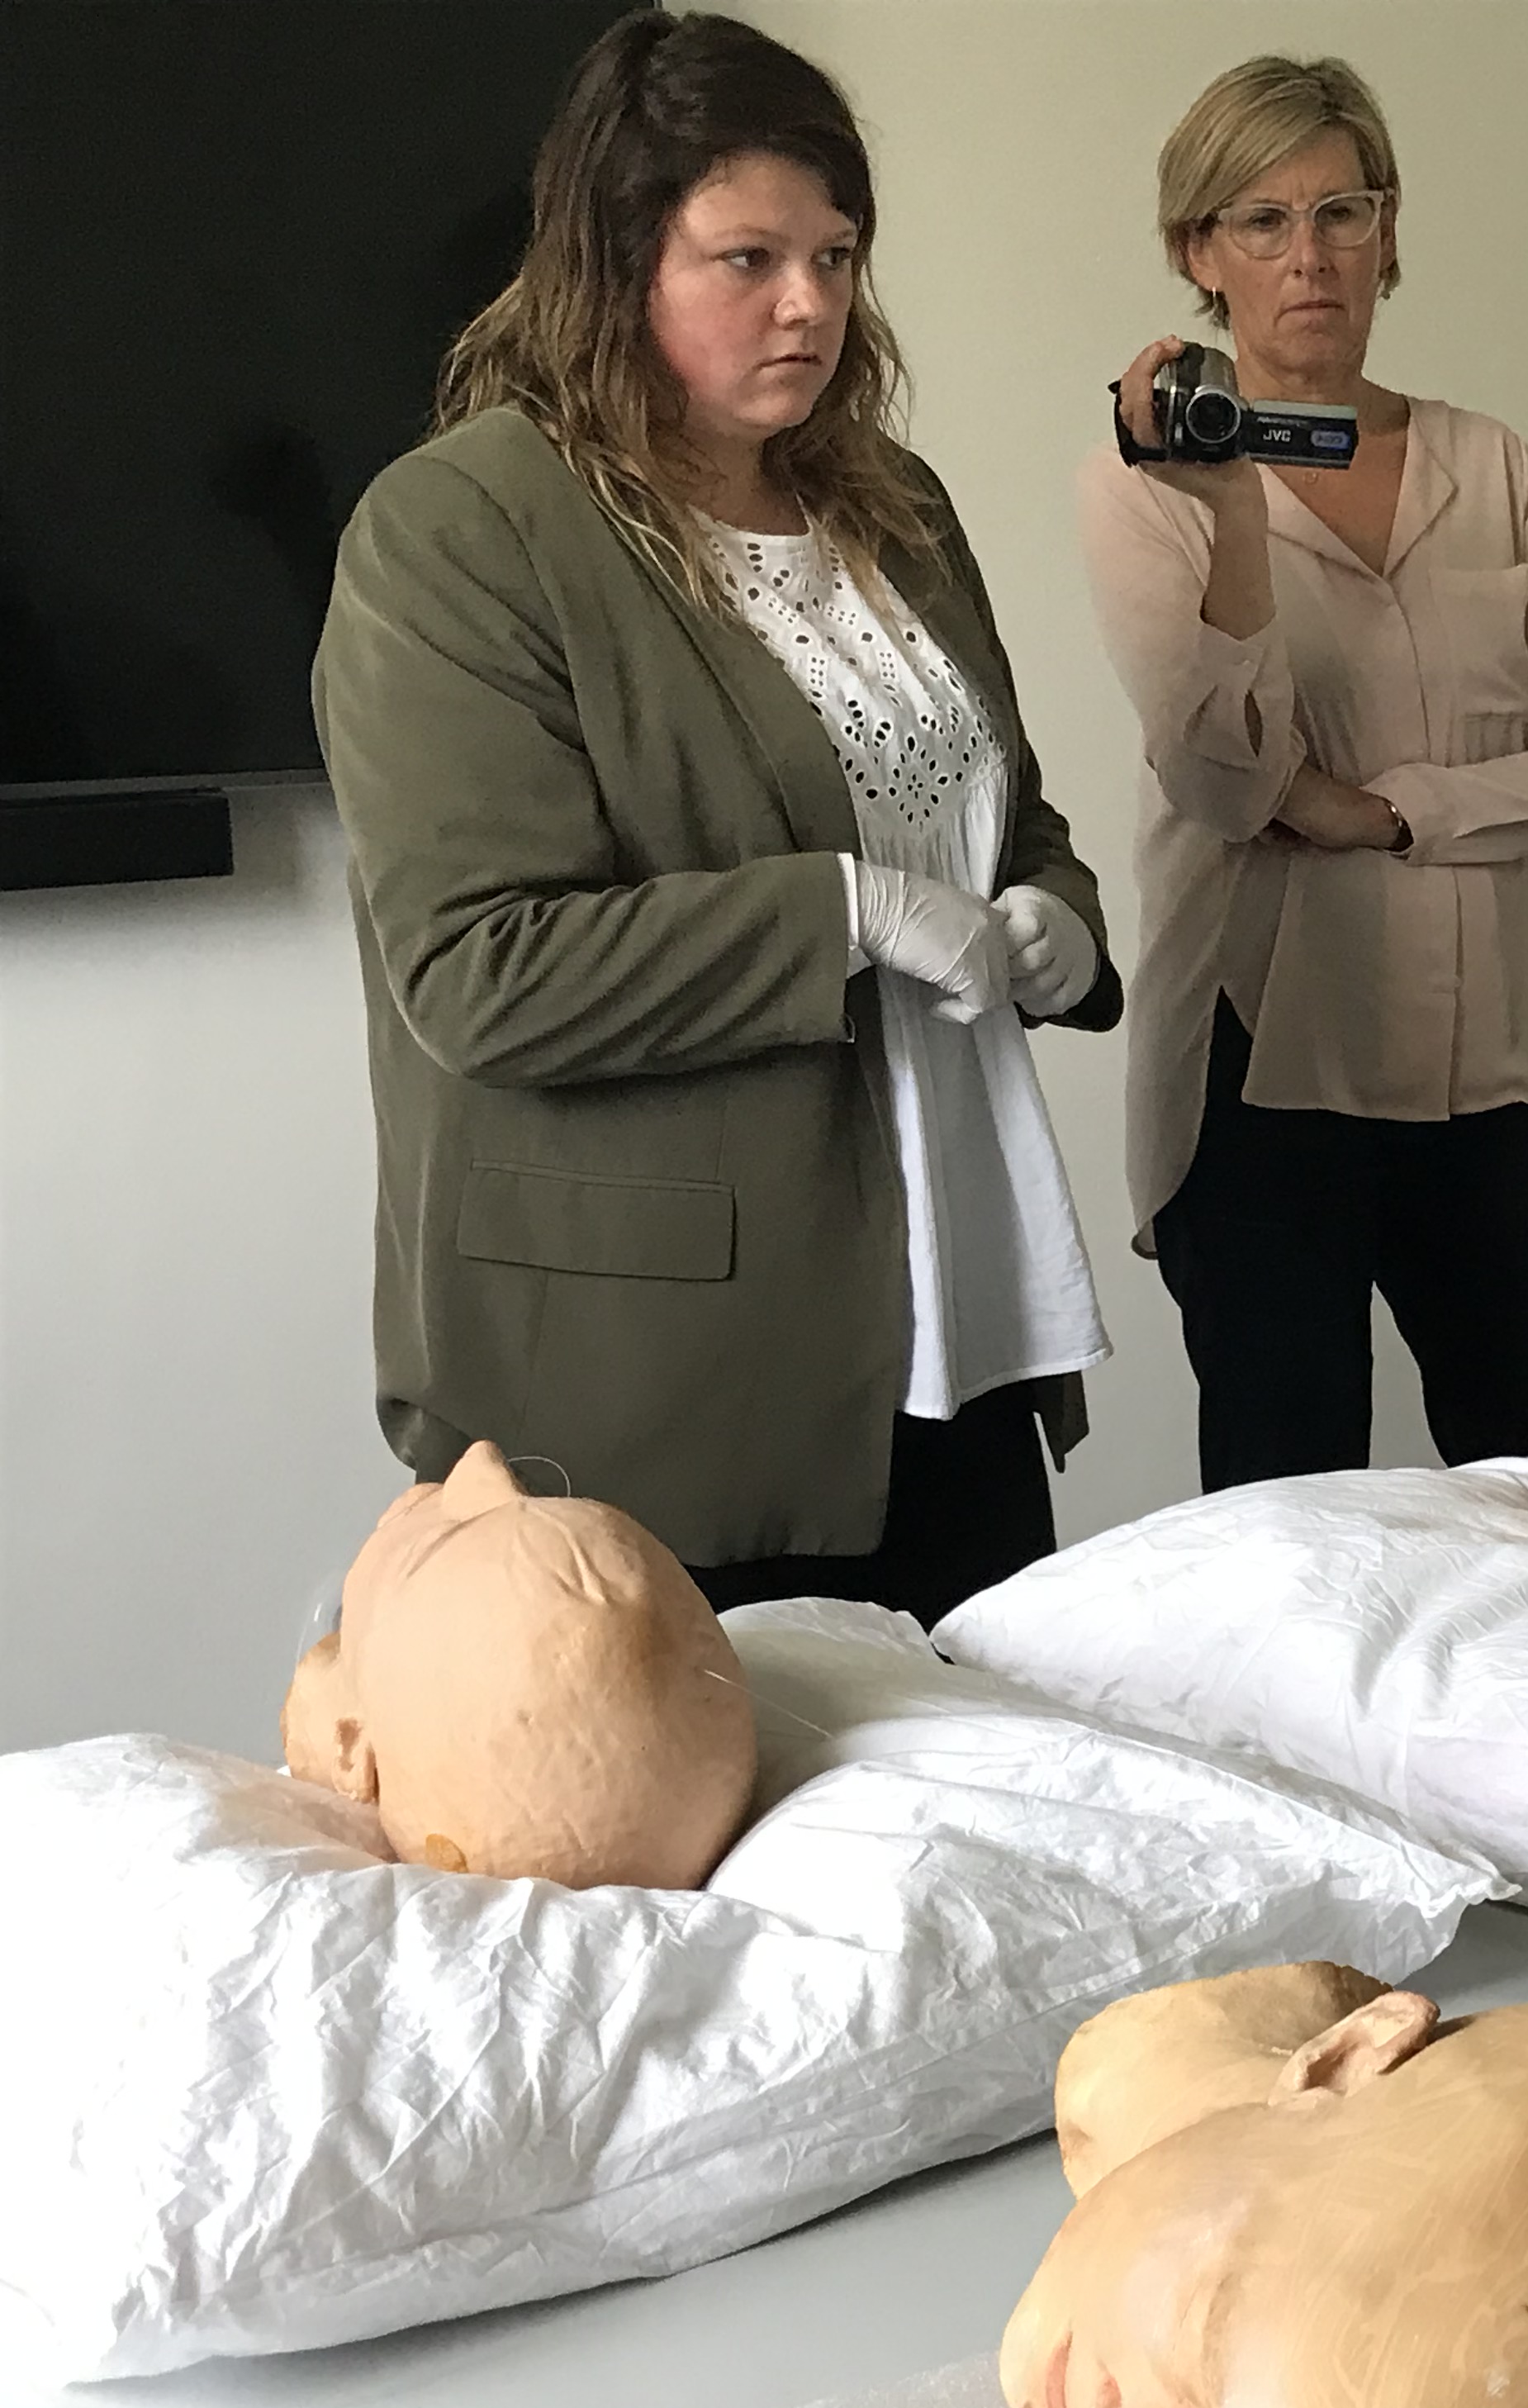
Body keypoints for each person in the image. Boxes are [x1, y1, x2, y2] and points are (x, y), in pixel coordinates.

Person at [314, 10, 1123, 1627]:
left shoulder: (893, 504)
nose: (811, 302)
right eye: (746, 257)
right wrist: (842, 916)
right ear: (613, 267)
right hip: (662, 1388)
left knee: (979, 1850)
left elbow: (1001, 814)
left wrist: (1057, 919)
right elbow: (484, 971)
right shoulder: (462, 531)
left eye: (836, 252)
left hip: (951, 1312)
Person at [1081, 55, 1528, 1494]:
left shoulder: (1490, 463)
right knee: (1291, 1514)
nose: (1311, 256)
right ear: (1195, 254)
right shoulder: (1148, 485)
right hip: (1266, 1072)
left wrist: (1391, 812)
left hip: (1492, 1084)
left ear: (1391, 231)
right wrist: (1228, 516)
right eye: (1260, 221)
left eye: (1342, 210)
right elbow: (1223, 784)